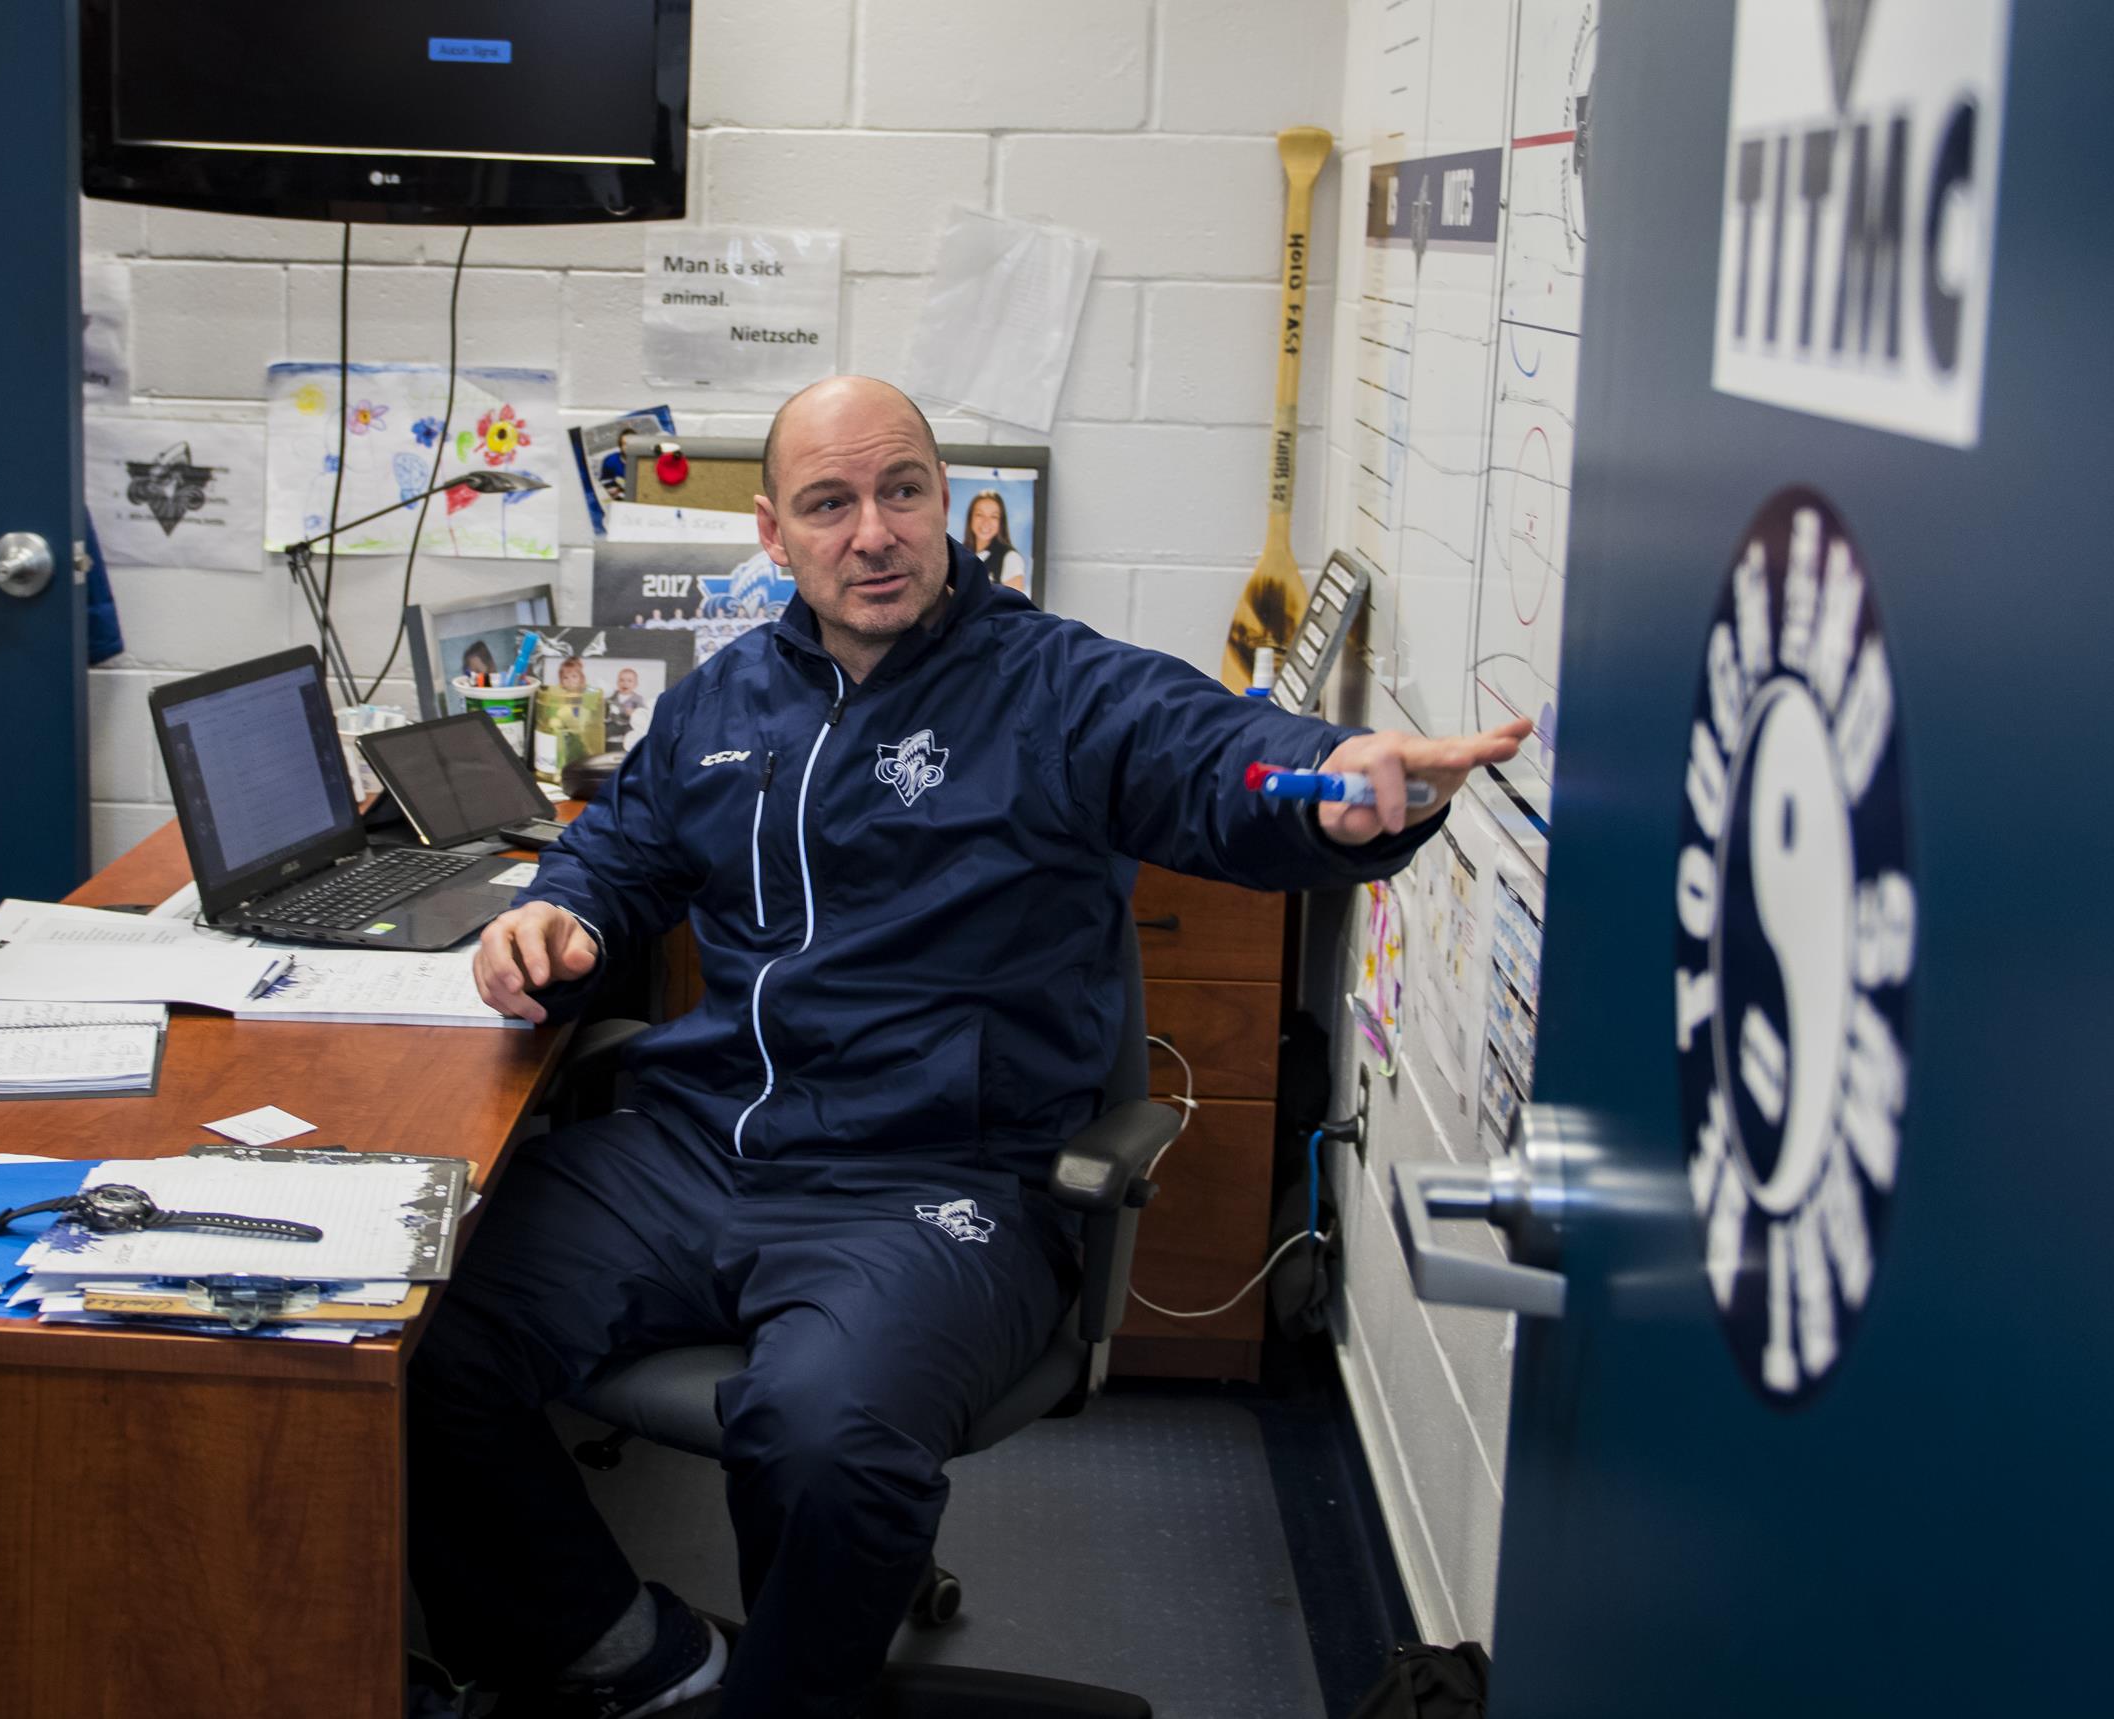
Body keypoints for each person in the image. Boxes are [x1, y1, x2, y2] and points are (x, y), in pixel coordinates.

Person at [413, 377, 1527, 1718]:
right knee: (415, 1339)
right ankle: (635, 1657)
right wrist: (559, 910)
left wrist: (1346, 782)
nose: (872, 531)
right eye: (831, 503)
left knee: (827, 1438)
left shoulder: (1056, 687)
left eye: (903, 492)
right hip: (703, 1146)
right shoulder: (724, 706)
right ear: (775, 534)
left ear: (946, 504)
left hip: (938, 1177)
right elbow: (622, 846)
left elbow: (1217, 756)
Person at [962, 486, 1029, 594]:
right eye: (979, 515)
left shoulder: (1010, 558)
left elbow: (1013, 608)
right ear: (970, 518)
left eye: (994, 516)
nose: (986, 522)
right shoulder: (960, 555)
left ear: (1001, 522)